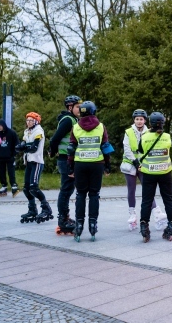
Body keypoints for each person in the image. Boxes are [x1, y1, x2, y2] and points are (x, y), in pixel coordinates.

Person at [68, 101, 114, 242]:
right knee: (94, 194)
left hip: (80, 164)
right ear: (94, 111)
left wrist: (70, 167)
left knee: (81, 194)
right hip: (97, 164)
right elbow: (105, 147)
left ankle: (79, 224)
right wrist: (107, 166)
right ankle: (93, 224)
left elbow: (71, 149)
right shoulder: (101, 127)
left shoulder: (75, 127)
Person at [120, 109, 167, 231]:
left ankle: (157, 213)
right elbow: (127, 148)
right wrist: (134, 161)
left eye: (141, 119)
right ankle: (132, 214)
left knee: (148, 190)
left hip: (143, 164)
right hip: (130, 163)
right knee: (131, 189)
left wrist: (140, 161)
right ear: (134, 120)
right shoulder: (128, 132)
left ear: (145, 120)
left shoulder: (149, 132)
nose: (139, 121)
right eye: (137, 119)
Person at [135, 112, 172, 242]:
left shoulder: (145, 136)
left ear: (150, 124)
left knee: (147, 201)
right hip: (165, 173)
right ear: (163, 123)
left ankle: (144, 227)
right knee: (168, 200)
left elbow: (140, 151)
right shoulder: (167, 137)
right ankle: (171, 226)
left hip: (149, 174)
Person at [49, 95, 82, 235]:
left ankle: (65, 217)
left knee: (68, 190)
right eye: (77, 107)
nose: (80, 109)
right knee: (66, 190)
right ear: (70, 107)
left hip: (69, 159)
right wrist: (53, 151)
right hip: (65, 159)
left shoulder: (74, 120)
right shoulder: (68, 120)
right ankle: (62, 220)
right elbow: (55, 138)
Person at [16, 112, 53, 224]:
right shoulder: (27, 131)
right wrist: (20, 147)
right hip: (29, 162)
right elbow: (22, 145)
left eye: (31, 120)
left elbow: (34, 148)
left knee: (33, 187)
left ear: (36, 121)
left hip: (36, 161)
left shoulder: (38, 131)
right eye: (27, 120)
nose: (28, 122)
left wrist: (24, 147)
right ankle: (32, 209)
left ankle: (46, 208)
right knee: (26, 188)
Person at [0, 119, 20, 197]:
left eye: (0, 126)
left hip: (10, 156)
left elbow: (17, 143)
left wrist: (14, 153)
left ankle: (13, 185)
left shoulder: (12, 133)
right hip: (0, 157)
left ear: (4, 125)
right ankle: (4, 185)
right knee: (1, 172)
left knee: (11, 172)